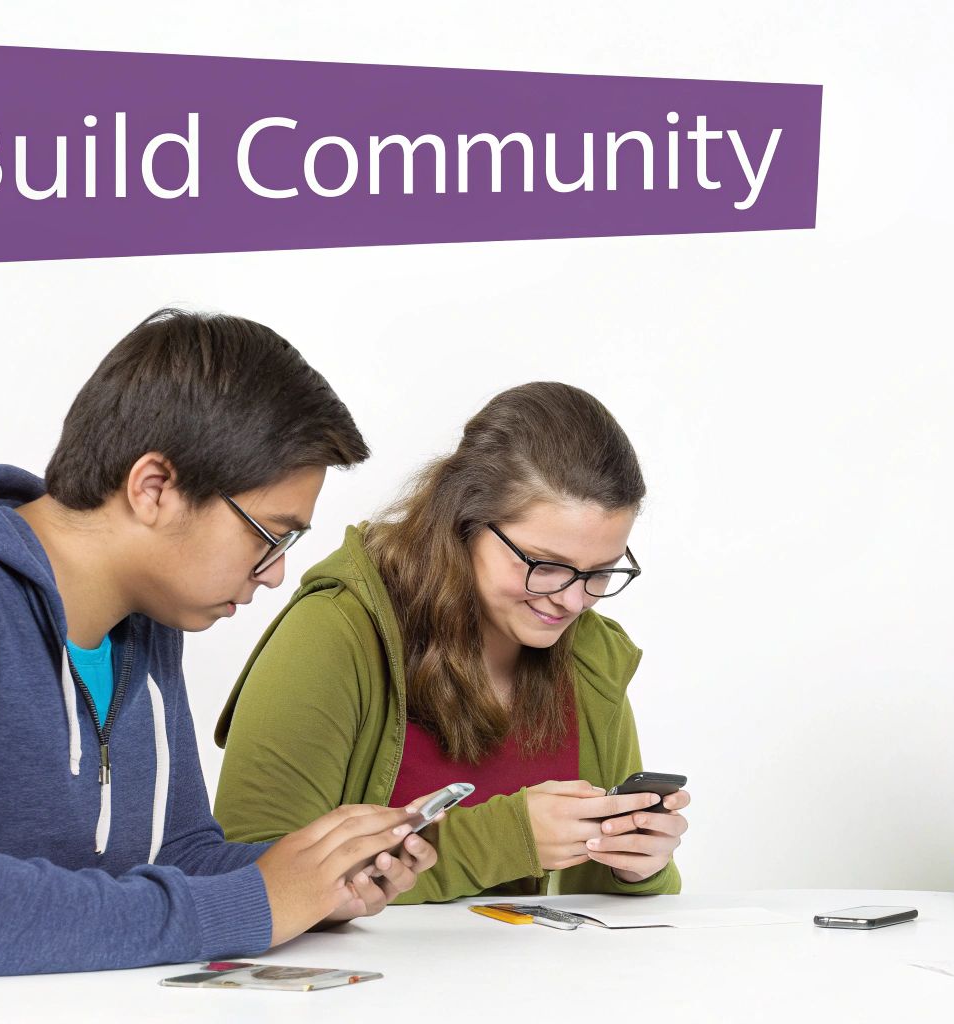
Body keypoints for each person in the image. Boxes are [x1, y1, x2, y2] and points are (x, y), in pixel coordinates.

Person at [0, 309, 441, 1020]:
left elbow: (178, 859)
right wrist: (255, 902)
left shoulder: (146, 623)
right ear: (153, 488)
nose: (275, 573)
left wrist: (317, 880)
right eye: (270, 534)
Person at [214, 381, 685, 900]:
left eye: (600, 572)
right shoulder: (335, 632)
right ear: (464, 520)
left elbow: (607, 906)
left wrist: (636, 865)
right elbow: (250, 882)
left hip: (545, 980)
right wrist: (504, 838)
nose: (572, 602)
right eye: (545, 566)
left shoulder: (591, 656)